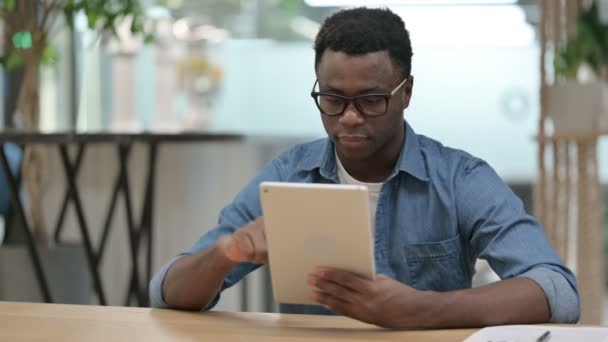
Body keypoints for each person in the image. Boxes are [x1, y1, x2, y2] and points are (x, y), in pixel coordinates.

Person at [150, 7, 579, 328]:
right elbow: (167, 290)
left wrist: (420, 310)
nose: (349, 118)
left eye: (371, 100)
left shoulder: (459, 178)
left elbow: (557, 291)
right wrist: (227, 253)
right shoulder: (288, 176)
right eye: (333, 99)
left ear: (406, 92)